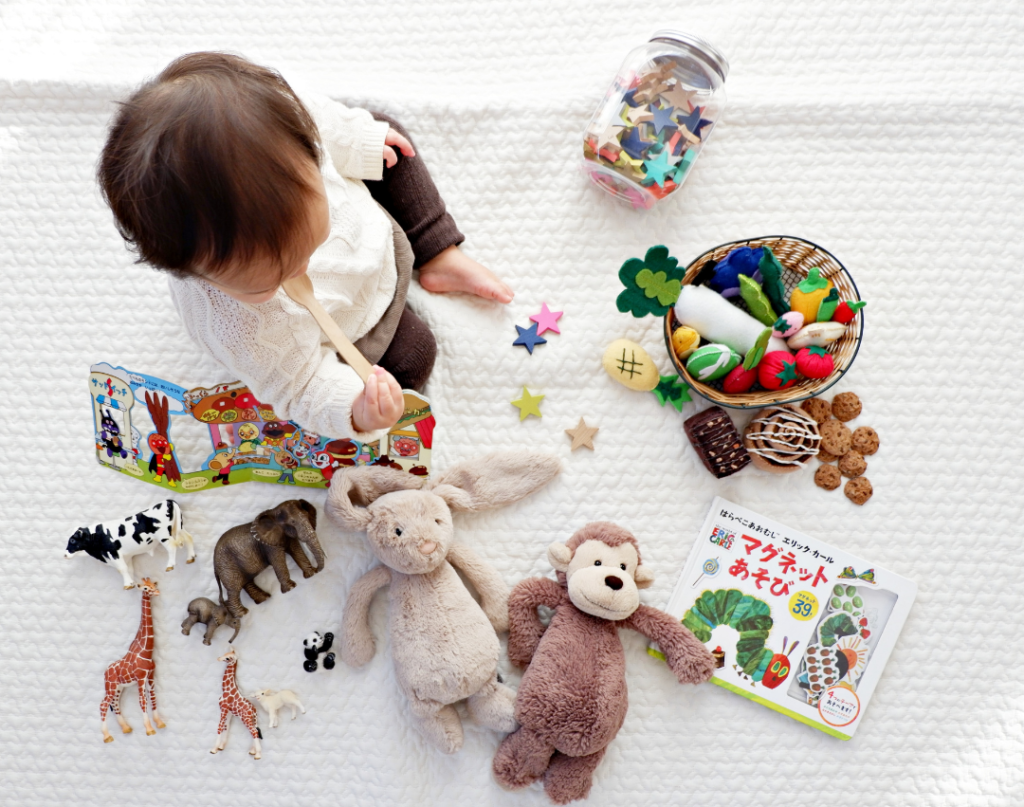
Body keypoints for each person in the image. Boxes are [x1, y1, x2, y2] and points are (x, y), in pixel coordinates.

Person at [98, 51, 512, 441]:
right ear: (190, 272)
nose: (301, 272)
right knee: (413, 358)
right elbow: (300, 387)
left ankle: (438, 252)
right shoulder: (239, 328)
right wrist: (356, 410)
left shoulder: (289, 120)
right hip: (351, 323)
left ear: (307, 153)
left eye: (311, 243)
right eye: (268, 282)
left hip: (371, 231)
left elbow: (329, 124)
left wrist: (358, 141)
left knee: (387, 141)